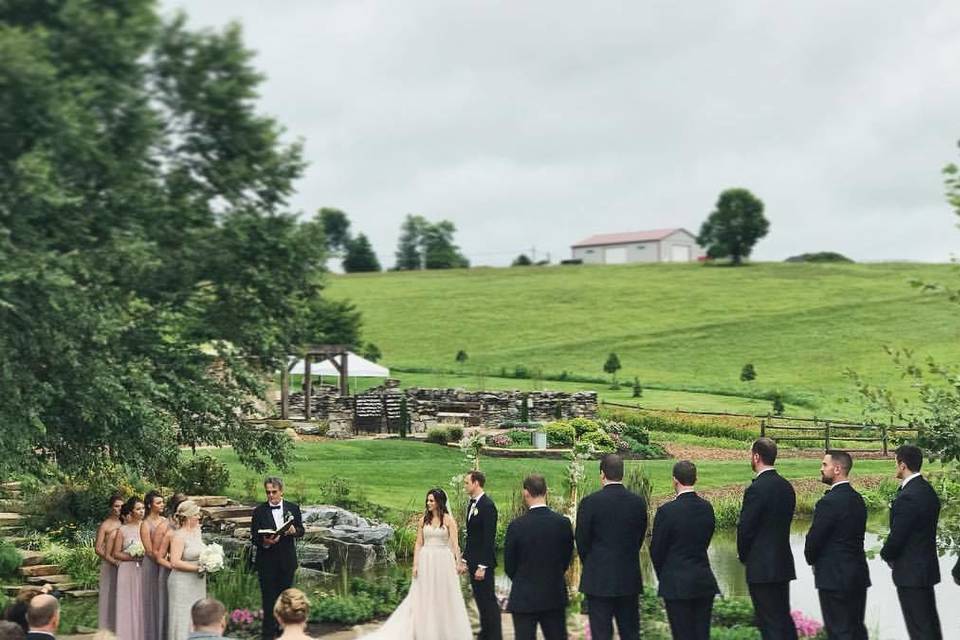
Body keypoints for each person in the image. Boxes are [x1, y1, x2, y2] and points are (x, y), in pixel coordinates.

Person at [359, 488, 471, 640]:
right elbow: (418, 543)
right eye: (427, 500)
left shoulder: (449, 520)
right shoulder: (423, 520)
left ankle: (442, 630)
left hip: (443, 560)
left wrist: (458, 563)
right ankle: (423, 629)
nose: (428, 503)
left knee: (443, 594)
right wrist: (416, 564)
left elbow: (455, 544)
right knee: (423, 594)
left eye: (431, 500)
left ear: (439, 502)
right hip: (426, 559)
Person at [575, 453, 648, 640]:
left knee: (600, 634)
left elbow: (582, 541)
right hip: (628, 576)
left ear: (602, 474)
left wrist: (591, 562)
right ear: (622, 474)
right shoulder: (638, 503)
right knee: (630, 632)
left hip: (598, 577)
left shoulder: (589, 503)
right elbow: (639, 537)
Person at [803, 450, 870, 640]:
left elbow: (815, 539)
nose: (821, 468)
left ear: (838, 469)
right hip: (857, 574)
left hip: (833, 576)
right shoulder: (858, 499)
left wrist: (811, 559)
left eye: (825, 465)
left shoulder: (828, 502)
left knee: (838, 631)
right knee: (856, 629)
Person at [650, 461, 720, 640]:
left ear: (674, 480)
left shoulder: (666, 512)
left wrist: (664, 575)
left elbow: (656, 551)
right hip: (703, 580)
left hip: (676, 583)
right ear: (696, 478)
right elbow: (706, 539)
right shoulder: (707, 508)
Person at [879, 445, 943, 640]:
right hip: (926, 568)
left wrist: (886, 554)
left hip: (911, 571)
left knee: (919, 628)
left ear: (903, 465)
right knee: (929, 624)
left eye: (896, 463)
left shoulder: (908, 497)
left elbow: (898, 536)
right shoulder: (927, 490)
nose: (895, 467)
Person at [737, 438, 797, 640]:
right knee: (783, 619)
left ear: (756, 456)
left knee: (768, 623)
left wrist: (744, 556)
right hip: (782, 562)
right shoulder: (786, 487)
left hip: (761, 566)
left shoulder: (756, 489)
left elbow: (746, 528)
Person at [504, 475, 574, 640]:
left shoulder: (516, 526)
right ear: (545, 492)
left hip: (524, 595)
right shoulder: (563, 523)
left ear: (526, 493)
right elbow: (567, 558)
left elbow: (509, 564)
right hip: (553, 593)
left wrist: (522, 579)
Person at [250, 477, 304, 640]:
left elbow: (301, 530)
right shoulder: (259, 511)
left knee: (286, 602)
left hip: (287, 562)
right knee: (268, 602)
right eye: (268, 492)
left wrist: (294, 530)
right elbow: (254, 536)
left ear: (281, 491)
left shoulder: (292, 508)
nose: (271, 495)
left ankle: (285, 635)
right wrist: (265, 542)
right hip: (266, 562)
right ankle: (268, 636)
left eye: (274, 492)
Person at [462, 470, 501, 640]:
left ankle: (495, 635)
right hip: (473, 561)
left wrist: (482, 566)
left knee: (488, 602)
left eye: (466, 482)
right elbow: (472, 536)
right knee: (480, 601)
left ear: (476, 483)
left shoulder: (488, 506)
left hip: (482, 565)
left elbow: (488, 538)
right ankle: (486, 633)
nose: (465, 486)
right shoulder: (472, 504)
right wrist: (465, 558)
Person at [167, 501, 207, 640]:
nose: (199, 517)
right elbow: (175, 562)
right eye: (196, 514)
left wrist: (210, 559)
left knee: (198, 614)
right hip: (182, 582)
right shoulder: (178, 536)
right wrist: (198, 568)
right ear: (188, 516)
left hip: (198, 581)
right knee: (183, 616)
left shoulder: (198, 531)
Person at [113, 497, 146, 640]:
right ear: (131, 511)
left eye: (143, 508)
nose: (142, 511)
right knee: (127, 602)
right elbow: (116, 553)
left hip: (145, 568)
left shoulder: (147, 527)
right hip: (127, 569)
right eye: (138, 509)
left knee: (143, 601)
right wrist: (133, 556)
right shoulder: (123, 530)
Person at [155, 493, 188, 640]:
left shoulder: (190, 525)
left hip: (188, 573)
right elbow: (157, 554)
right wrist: (173, 565)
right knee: (169, 609)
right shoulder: (165, 527)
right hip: (170, 572)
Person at [95, 494, 123, 632]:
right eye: (116, 506)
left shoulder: (125, 522)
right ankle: (106, 629)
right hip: (109, 564)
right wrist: (112, 561)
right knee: (109, 595)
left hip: (123, 564)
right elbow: (98, 548)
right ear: (111, 507)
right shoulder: (105, 525)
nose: (119, 509)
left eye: (121, 506)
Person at [140, 489, 165, 639]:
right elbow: (149, 551)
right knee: (152, 599)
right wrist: (163, 561)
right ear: (150, 505)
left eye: (162, 502)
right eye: (158, 503)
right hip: (152, 566)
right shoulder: (145, 524)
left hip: (165, 563)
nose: (162, 505)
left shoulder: (165, 520)